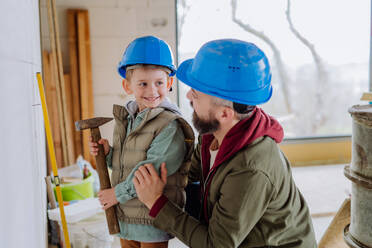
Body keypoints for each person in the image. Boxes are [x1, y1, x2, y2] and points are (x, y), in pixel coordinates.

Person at [132, 39, 317, 247]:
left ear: (225, 113)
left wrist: (157, 203)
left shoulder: (251, 168)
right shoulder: (211, 133)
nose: (188, 96)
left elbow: (216, 245)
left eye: (197, 94)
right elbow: (190, 179)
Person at [89, 36, 195, 248]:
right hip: (125, 216)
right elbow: (126, 162)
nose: (152, 91)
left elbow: (150, 170)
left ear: (170, 83)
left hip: (151, 219)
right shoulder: (128, 118)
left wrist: (116, 194)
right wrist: (109, 154)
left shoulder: (169, 125)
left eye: (159, 83)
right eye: (143, 84)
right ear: (127, 86)